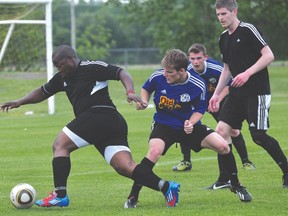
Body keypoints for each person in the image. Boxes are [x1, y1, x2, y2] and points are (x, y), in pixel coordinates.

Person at [0, 45, 181, 208]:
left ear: (71, 59)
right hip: (107, 124)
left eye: (60, 65)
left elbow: (121, 73)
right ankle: (167, 187)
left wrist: (130, 92)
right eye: (56, 66)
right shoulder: (62, 77)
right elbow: (43, 91)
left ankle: (60, 195)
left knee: (60, 145)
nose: (59, 69)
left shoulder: (91, 67)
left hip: (100, 115)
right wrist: (20, 101)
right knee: (124, 166)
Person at [124, 49, 252, 208]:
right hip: (164, 125)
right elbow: (146, 88)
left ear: (182, 71)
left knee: (224, 147)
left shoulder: (198, 84)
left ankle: (235, 184)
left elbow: (200, 109)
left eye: (170, 72)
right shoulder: (159, 76)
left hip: (188, 126)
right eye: (164, 70)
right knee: (154, 152)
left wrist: (190, 123)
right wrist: (143, 101)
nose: (165, 74)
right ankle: (133, 195)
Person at [209, 0, 288, 189]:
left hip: (257, 92)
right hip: (236, 94)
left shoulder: (248, 30)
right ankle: (227, 179)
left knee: (258, 136)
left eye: (224, 14)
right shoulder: (223, 38)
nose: (221, 18)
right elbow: (226, 69)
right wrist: (216, 94)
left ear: (234, 11)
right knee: (221, 132)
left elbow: (269, 55)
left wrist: (247, 73)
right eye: (218, 15)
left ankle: (286, 170)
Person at [172, 43, 256, 189]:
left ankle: (246, 161)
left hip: (221, 101)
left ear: (205, 57)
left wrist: (216, 98)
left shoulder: (216, 68)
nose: (196, 62)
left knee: (232, 131)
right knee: (187, 124)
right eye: (192, 58)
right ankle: (186, 161)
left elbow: (230, 84)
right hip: (201, 102)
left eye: (199, 58)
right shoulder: (188, 70)